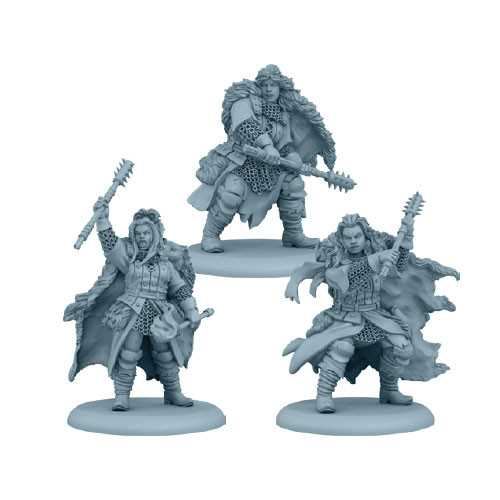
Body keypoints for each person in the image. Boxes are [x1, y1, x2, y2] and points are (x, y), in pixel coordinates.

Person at [283, 213, 459, 413]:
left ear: (365, 237)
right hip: (344, 318)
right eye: (348, 237)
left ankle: (389, 390)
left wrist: (405, 242)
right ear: (342, 240)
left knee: (402, 347)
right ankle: (324, 395)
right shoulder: (335, 261)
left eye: (357, 236)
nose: (353, 241)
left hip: (376, 316)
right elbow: (345, 275)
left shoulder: (376, 255)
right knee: (341, 348)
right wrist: (376, 259)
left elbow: (399, 267)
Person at [64, 199, 201, 411]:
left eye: (146, 233)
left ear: (154, 235)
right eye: (138, 234)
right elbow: (111, 246)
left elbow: (180, 289)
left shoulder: (166, 265)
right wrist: (103, 219)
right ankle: (122, 396)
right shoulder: (130, 260)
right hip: (132, 311)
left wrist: (191, 311)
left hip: (161, 315)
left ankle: (173, 392)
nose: (142, 237)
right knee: (128, 353)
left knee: (166, 355)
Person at [188, 64, 337, 252]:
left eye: (273, 85)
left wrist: (293, 157)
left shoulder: (282, 113)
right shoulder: (244, 101)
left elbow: (285, 143)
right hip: (241, 161)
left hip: (271, 166)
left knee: (293, 185)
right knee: (231, 193)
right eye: (265, 85)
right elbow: (245, 125)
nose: (268, 89)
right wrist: (267, 146)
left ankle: (293, 234)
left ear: (280, 87)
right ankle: (210, 235)